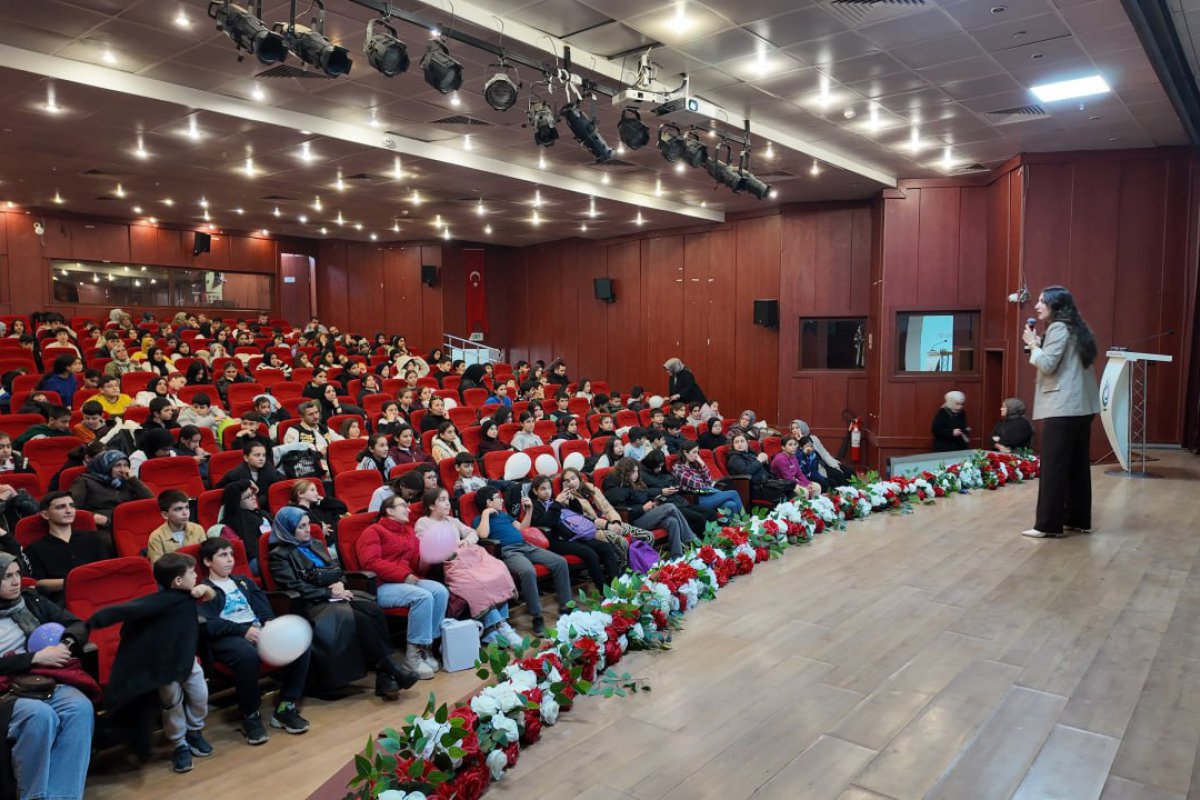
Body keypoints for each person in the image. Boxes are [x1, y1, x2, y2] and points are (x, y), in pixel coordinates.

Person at [266, 506, 417, 699]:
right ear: (288, 530)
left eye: (308, 525)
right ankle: (391, 669)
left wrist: (339, 583)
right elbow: (294, 586)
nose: (308, 530)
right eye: (301, 527)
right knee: (358, 617)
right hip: (310, 603)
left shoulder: (316, 545)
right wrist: (328, 591)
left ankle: (386, 674)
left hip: (334, 595)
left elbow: (337, 571)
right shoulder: (280, 554)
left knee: (372, 609)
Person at [87, 552, 216, 774]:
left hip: (188, 661)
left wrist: (205, 589)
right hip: (164, 668)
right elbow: (128, 609)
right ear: (177, 581)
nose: (197, 576)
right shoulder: (160, 601)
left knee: (200, 696)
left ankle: (195, 730)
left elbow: (210, 595)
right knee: (171, 705)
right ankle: (180, 744)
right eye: (192, 573)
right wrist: (94, 621)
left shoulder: (191, 594)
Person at [197, 538, 311, 746]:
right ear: (207, 562)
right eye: (223, 555)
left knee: (300, 643)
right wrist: (243, 631)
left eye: (231, 554)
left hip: (256, 629)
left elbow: (263, 608)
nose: (230, 560)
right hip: (228, 636)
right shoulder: (204, 589)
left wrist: (268, 623)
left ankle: (286, 706)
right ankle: (251, 714)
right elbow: (210, 624)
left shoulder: (243, 581)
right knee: (246, 654)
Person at [0, 552, 94, 800]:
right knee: (40, 716)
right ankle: (34, 796)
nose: (16, 581)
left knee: (79, 707)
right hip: (5, 690)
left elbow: (78, 624)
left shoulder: (31, 601)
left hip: (41, 679)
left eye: (18, 573)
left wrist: (66, 643)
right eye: (7, 576)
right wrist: (35, 658)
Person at [1022, 285, 1101, 539]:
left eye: (1042, 301)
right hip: (1082, 407)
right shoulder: (1078, 328)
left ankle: (1048, 525)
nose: (1037, 306)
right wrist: (1037, 344)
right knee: (1077, 465)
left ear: (1056, 305)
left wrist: (1033, 345)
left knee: (1054, 467)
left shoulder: (1058, 328)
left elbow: (1047, 364)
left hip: (1063, 407)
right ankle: (1078, 519)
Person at [356, 497, 449, 679]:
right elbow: (370, 562)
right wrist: (403, 576)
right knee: (423, 596)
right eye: (403, 506)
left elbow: (416, 565)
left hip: (406, 581)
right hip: (382, 585)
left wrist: (428, 555)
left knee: (440, 591)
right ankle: (412, 655)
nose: (409, 510)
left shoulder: (408, 531)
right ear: (389, 511)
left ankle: (426, 648)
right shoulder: (373, 531)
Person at [413, 488, 519, 646]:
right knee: (478, 583)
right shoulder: (423, 523)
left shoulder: (452, 520)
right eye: (442, 500)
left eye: (448, 499)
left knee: (499, 570)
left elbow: (473, 533)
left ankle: (492, 630)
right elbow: (426, 547)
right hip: (448, 563)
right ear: (431, 506)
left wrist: (466, 541)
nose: (448, 503)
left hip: (469, 557)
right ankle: (502, 627)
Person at [473, 486, 570, 637]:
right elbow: (482, 534)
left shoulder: (504, 515)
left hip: (526, 546)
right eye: (498, 498)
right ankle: (536, 616)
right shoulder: (479, 519)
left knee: (560, 562)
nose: (502, 500)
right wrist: (486, 513)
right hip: (508, 551)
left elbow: (522, 528)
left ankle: (566, 605)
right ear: (488, 502)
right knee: (527, 571)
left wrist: (529, 510)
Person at [529, 476, 620, 589]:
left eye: (549, 488)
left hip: (573, 534)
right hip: (555, 539)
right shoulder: (534, 506)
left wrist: (572, 499)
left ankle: (616, 586)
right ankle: (604, 591)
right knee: (589, 553)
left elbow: (578, 513)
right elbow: (549, 522)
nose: (547, 492)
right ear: (535, 491)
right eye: (543, 489)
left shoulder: (555, 501)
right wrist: (557, 503)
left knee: (605, 547)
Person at [602, 458, 696, 559]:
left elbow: (645, 494)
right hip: (633, 522)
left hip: (646, 516)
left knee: (672, 521)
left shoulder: (634, 482)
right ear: (625, 472)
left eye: (637, 471)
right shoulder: (615, 488)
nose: (636, 474)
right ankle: (691, 539)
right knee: (670, 507)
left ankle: (677, 556)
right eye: (633, 472)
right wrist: (642, 508)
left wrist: (652, 504)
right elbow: (623, 511)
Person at [69, 450, 153, 530]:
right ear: (105, 466)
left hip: (128, 524)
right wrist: (92, 516)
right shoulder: (84, 481)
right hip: (102, 527)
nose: (123, 470)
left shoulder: (126, 481)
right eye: (117, 465)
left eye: (126, 465)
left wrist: (133, 479)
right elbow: (72, 507)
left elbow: (150, 502)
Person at [673, 441, 744, 516]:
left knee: (731, 505)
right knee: (733, 493)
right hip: (695, 499)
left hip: (706, 494)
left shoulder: (694, 465)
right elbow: (698, 486)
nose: (697, 456)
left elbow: (709, 481)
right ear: (685, 453)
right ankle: (746, 522)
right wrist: (706, 486)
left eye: (697, 452)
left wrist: (702, 464)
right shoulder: (678, 469)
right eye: (694, 452)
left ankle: (734, 526)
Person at [216, 480, 272, 575]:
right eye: (248, 497)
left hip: (273, 554)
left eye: (253, 494)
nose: (254, 498)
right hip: (256, 560)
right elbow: (233, 489)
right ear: (237, 502)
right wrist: (247, 482)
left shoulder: (261, 513)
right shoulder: (235, 518)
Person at [727, 433, 798, 504]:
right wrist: (759, 461)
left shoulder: (752, 454)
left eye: (742, 441)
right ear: (733, 445)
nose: (739, 444)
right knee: (783, 495)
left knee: (792, 488)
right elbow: (746, 472)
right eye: (736, 442)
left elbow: (768, 470)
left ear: (747, 443)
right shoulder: (735, 458)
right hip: (755, 488)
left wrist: (766, 462)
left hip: (768, 483)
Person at [146, 489, 207, 563]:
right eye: (178, 509)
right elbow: (158, 569)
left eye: (187, 507)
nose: (185, 513)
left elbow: (205, 558)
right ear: (165, 515)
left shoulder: (198, 529)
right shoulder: (156, 537)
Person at [219, 440, 283, 507]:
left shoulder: (270, 470)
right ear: (246, 458)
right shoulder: (235, 474)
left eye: (264, 455)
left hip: (265, 508)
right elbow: (224, 491)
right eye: (257, 455)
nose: (261, 458)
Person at [788, 420, 851, 487]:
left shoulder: (814, 438)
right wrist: (801, 441)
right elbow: (799, 459)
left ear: (803, 427)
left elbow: (824, 453)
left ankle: (853, 491)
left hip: (824, 462)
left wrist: (834, 464)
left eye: (797, 428)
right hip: (815, 467)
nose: (794, 430)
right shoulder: (793, 443)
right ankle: (842, 493)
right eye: (792, 429)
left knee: (848, 471)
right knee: (837, 475)